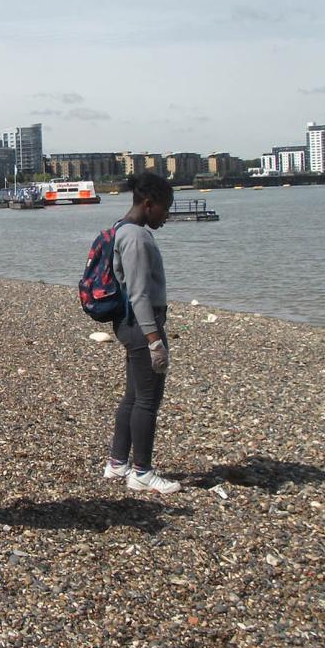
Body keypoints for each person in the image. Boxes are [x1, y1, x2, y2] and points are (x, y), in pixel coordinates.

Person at [104, 172, 181, 495]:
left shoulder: (121, 230)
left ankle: (118, 463)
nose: (167, 216)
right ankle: (142, 472)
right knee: (148, 400)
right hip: (140, 325)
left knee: (134, 395)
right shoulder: (135, 237)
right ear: (148, 204)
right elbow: (138, 293)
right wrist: (154, 340)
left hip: (130, 323)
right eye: (165, 209)